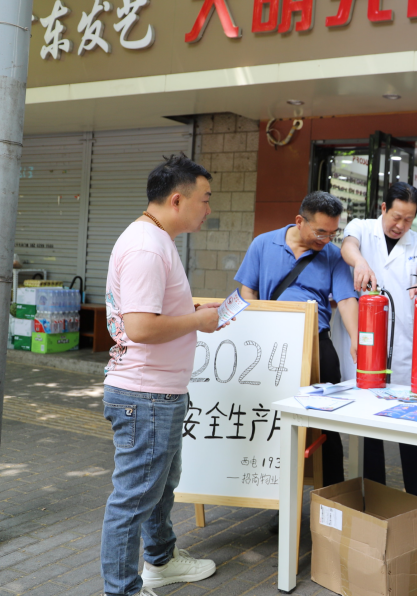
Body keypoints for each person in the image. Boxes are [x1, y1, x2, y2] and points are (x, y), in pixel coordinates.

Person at [101, 155, 223, 596]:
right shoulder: (147, 247)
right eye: (204, 199)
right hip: (145, 395)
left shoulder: (156, 239)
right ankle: (122, 589)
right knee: (133, 500)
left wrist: (190, 312)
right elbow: (140, 327)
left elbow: (150, 314)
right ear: (177, 199)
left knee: (158, 489)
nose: (208, 209)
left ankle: (161, 560)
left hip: (156, 393)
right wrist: (198, 321)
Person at [235, 191, 358, 487]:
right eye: (321, 232)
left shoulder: (332, 254)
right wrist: (255, 331)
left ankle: (331, 496)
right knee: (273, 417)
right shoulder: (263, 244)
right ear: (300, 221)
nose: (326, 239)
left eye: (332, 233)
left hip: (317, 343)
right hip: (272, 344)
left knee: (327, 422)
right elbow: (247, 291)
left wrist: (357, 339)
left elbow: (345, 299)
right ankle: (272, 493)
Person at [340, 181, 417, 497]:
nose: (401, 225)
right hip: (368, 345)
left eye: (408, 219)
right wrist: (360, 262)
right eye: (396, 216)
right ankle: (376, 498)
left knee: (412, 429)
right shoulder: (362, 228)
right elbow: (348, 246)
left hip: (406, 346)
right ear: (383, 208)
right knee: (370, 427)